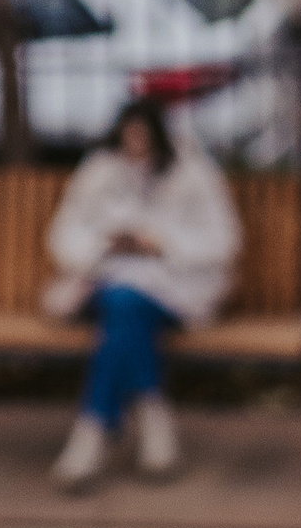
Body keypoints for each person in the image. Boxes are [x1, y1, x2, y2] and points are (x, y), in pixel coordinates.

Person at [43, 95, 239, 492]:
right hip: (104, 280)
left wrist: (161, 244)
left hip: (173, 288)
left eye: (144, 135)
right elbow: (64, 235)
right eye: (129, 135)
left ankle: (93, 431)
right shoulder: (99, 172)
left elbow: (223, 240)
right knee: (122, 303)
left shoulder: (192, 174)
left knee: (125, 306)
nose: (136, 144)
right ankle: (152, 421)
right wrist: (105, 244)